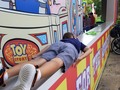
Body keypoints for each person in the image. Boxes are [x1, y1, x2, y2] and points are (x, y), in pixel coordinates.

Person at [0, 32, 92, 90]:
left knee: (39, 61)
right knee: (58, 61)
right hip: (70, 48)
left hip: (56, 45)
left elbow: (47, 47)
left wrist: (37, 54)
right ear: (74, 36)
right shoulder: (77, 42)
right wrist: (80, 58)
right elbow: (89, 50)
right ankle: (35, 76)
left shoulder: (61, 40)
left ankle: (5, 74)